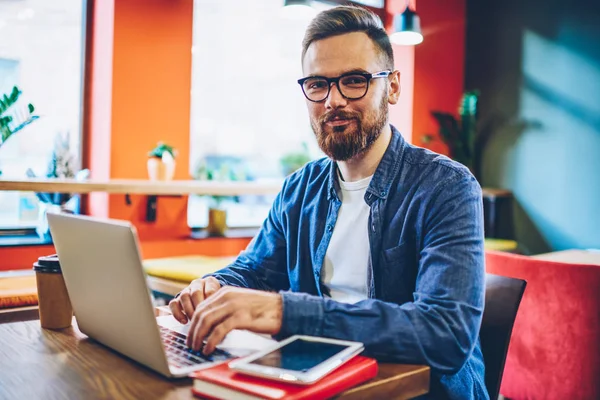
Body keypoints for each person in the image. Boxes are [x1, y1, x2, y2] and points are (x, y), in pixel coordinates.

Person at [169, 6, 487, 399]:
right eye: (318, 84)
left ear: (392, 87)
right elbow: (254, 270)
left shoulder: (447, 188)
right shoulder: (298, 189)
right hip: (319, 383)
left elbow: (446, 335)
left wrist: (282, 312)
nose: (333, 100)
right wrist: (215, 287)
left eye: (354, 81)